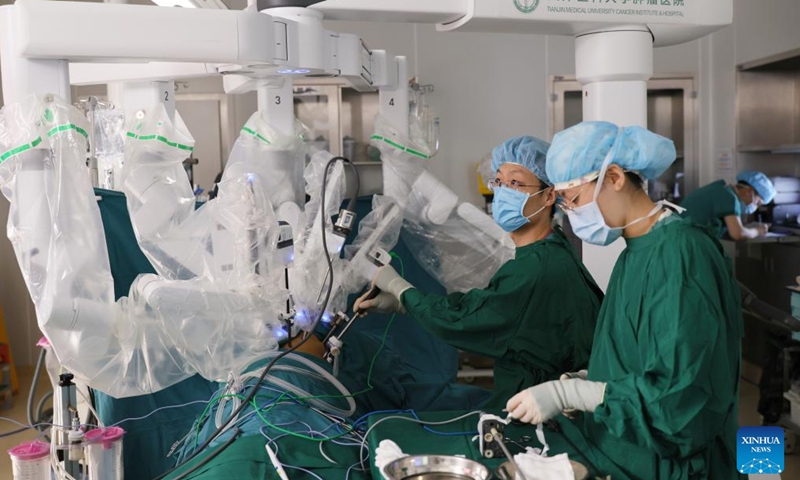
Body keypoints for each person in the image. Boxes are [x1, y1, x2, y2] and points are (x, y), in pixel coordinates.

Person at [506, 122, 743, 479]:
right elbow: (639, 354)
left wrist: (574, 395)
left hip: (673, 463)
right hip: (627, 446)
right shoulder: (636, 251)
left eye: (574, 198)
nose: (570, 213)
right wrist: (587, 379)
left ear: (615, 176)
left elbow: (681, 394)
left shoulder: (680, 253)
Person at [354, 136, 603, 407]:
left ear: (549, 195)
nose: (504, 191)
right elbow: (486, 304)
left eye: (516, 183)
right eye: (499, 181)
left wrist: (400, 289)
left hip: (543, 412)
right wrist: (404, 305)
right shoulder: (550, 249)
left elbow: (463, 319)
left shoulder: (535, 268)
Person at [680, 170, 776, 240]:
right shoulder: (730, 198)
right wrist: (757, 231)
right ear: (749, 192)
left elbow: (727, 231)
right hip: (685, 243)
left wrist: (746, 229)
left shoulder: (722, 190)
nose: (756, 207)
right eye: (758, 203)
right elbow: (738, 234)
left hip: (679, 240)